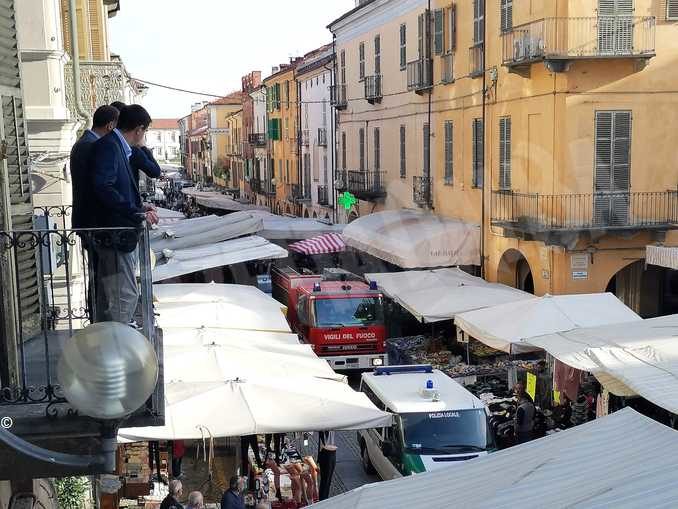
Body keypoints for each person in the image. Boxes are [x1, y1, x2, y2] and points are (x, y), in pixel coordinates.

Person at [90, 104, 159, 324]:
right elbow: (104, 187)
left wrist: (139, 208)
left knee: (114, 298)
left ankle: (107, 346)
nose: (144, 136)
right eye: (145, 131)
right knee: (125, 297)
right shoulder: (110, 146)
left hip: (116, 235)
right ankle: (116, 350)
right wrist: (134, 212)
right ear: (139, 129)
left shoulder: (116, 146)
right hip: (115, 236)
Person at [71, 105, 119, 229]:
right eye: (117, 129)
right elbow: (99, 184)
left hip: (90, 220)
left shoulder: (86, 142)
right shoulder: (91, 145)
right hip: (94, 221)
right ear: (110, 126)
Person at [110, 101, 162, 183]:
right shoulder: (133, 151)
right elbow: (155, 171)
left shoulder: (108, 142)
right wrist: (143, 147)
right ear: (138, 130)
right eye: (144, 131)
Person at [317, 431, 337, 501]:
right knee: (325, 481)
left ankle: (324, 499)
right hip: (326, 452)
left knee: (327, 481)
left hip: (331, 452)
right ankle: (323, 499)